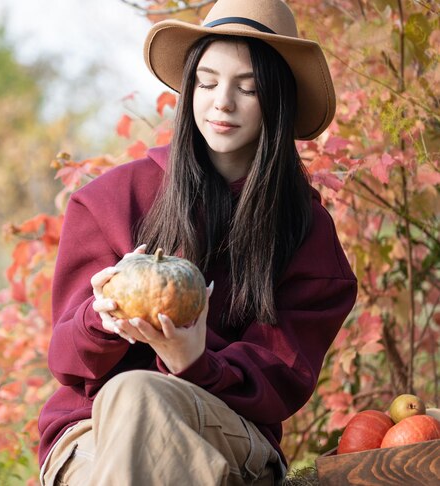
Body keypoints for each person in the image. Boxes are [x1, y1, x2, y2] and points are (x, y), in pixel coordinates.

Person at [37, 0, 357, 484]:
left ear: (278, 100)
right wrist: (99, 321)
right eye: (206, 83)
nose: (221, 102)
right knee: (129, 396)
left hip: (227, 428)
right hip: (91, 433)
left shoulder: (304, 232)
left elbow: (283, 378)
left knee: (138, 394)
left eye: (247, 88)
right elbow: (64, 359)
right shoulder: (110, 201)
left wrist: (195, 362)